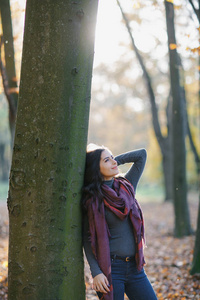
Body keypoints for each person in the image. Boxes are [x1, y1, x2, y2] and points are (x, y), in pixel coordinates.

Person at [82, 144, 157, 300]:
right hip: (110, 270)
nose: (114, 162)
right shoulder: (92, 199)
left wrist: (114, 160)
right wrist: (96, 272)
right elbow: (87, 239)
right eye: (107, 161)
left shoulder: (126, 186)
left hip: (135, 268)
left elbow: (141, 155)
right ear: (96, 167)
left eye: (113, 158)